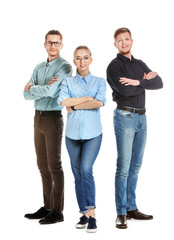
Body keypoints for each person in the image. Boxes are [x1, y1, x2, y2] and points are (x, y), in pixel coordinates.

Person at [106, 27, 163, 229]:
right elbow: (124, 90)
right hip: (125, 117)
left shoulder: (139, 64)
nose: (124, 42)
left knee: (135, 166)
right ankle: (121, 212)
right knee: (123, 167)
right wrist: (144, 82)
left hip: (142, 118)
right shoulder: (113, 66)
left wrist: (138, 81)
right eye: (120, 40)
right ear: (115, 44)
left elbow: (159, 83)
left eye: (127, 39)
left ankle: (131, 208)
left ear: (132, 41)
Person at [23, 30, 72, 224]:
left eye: (56, 43)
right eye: (50, 43)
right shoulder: (38, 67)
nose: (53, 46)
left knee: (54, 164)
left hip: (53, 118)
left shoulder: (65, 67)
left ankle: (58, 211)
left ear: (61, 45)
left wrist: (33, 88)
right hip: (38, 118)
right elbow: (25, 95)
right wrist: (36, 90)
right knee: (42, 165)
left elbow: (52, 92)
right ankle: (47, 206)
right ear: (45, 45)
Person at [58, 46, 106, 233]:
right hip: (72, 136)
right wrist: (87, 99)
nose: (82, 61)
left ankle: (92, 214)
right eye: (78, 58)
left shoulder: (99, 81)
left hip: (93, 135)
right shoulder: (67, 82)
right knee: (77, 174)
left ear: (91, 60)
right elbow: (63, 102)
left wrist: (76, 104)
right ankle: (84, 213)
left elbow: (99, 102)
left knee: (86, 169)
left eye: (85, 58)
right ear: (74, 61)